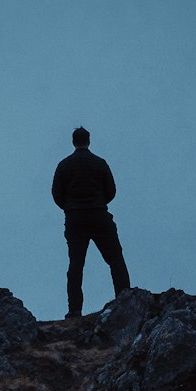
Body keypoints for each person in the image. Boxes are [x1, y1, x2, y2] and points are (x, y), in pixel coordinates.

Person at [51, 127, 131, 318]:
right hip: (98, 215)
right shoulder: (99, 163)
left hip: (75, 218)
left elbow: (56, 194)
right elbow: (111, 190)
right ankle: (125, 301)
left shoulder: (64, 165)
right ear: (89, 140)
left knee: (76, 265)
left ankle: (74, 310)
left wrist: (70, 207)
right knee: (115, 259)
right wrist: (98, 202)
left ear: (73, 142)